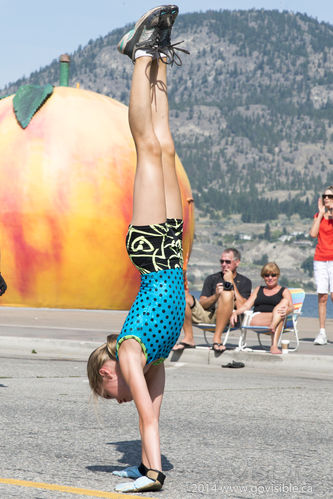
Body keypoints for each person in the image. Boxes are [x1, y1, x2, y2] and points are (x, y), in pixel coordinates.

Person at [87, 5, 188, 494]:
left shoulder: (130, 353)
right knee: (165, 145)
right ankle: (159, 56)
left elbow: (147, 418)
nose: (119, 399)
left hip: (152, 252)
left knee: (145, 146)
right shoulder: (152, 360)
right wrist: (140, 464)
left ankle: (138, 55)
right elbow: (154, 410)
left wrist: (152, 474)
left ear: (108, 370)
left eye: (108, 392)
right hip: (172, 252)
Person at [173, 248, 252, 352]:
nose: (224, 264)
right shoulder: (212, 279)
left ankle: (217, 339)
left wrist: (231, 283)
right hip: (208, 315)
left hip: (228, 318)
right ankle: (188, 338)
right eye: (221, 261)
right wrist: (215, 296)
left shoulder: (245, 281)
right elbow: (202, 304)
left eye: (228, 262)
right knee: (182, 295)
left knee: (226, 294)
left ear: (237, 263)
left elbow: (243, 307)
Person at [230, 262, 293, 354]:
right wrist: (235, 312)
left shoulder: (284, 290)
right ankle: (273, 333)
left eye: (273, 275)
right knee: (279, 316)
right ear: (263, 277)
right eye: (267, 275)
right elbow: (247, 305)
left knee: (283, 304)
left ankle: (273, 340)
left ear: (278, 276)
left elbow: (291, 307)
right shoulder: (258, 289)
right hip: (258, 318)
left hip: (277, 316)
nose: (270, 278)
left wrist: (287, 310)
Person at [310, 185, 333, 345]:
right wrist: (320, 215)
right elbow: (313, 234)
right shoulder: (318, 215)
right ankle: (322, 332)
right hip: (320, 259)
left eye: (330, 196)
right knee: (322, 296)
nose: (326, 198)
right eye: (324, 196)